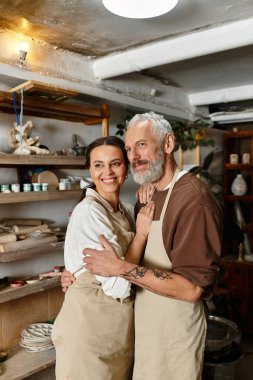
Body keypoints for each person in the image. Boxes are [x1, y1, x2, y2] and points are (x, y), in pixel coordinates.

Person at [83, 112, 223, 380]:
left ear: (168, 144)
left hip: (174, 335)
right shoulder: (147, 195)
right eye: (129, 148)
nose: (133, 156)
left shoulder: (194, 200)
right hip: (146, 327)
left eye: (142, 145)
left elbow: (192, 288)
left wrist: (121, 268)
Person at [52, 136, 154, 380]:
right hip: (88, 335)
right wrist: (140, 235)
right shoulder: (89, 212)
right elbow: (119, 286)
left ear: (126, 169)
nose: (107, 172)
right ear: (90, 169)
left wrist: (150, 190)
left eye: (115, 163)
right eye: (98, 165)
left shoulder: (126, 210)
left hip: (115, 333)